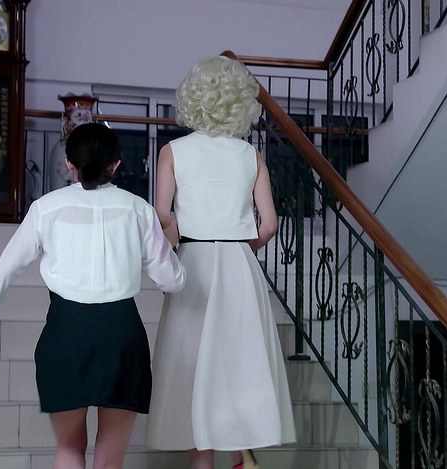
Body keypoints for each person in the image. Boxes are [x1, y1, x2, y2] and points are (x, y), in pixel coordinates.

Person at [0, 123, 186, 469]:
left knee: (69, 449)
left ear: (69, 165)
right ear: (116, 165)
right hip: (121, 336)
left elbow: (2, 273)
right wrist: (171, 240)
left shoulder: (46, 208)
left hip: (65, 334)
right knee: (110, 463)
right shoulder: (138, 209)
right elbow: (172, 281)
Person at [146, 56, 296, 469]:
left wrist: (178, 244)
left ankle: (204, 462)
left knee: (194, 369)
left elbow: (161, 215)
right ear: (239, 100)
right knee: (237, 365)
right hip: (238, 265)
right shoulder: (250, 155)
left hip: (193, 262)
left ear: (193, 97)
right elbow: (269, 225)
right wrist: (242, 251)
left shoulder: (173, 151)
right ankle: (243, 455)